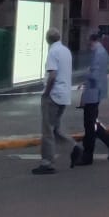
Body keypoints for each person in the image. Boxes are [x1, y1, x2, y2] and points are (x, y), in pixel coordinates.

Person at [72, 31, 109, 166]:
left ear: (92, 40)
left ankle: (88, 156)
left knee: (89, 125)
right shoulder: (102, 52)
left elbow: (93, 76)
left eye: (88, 41)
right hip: (96, 92)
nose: (87, 44)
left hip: (93, 93)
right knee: (91, 123)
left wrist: (85, 94)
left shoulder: (98, 53)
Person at [32, 29, 72, 175]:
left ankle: (47, 162)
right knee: (56, 129)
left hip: (53, 96)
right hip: (65, 95)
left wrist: (46, 93)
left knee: (47, 130)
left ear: (48, 40)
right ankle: (75, 149)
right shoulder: (66, 51)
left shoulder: (53, 52)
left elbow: (53, 75)